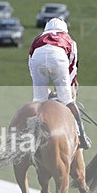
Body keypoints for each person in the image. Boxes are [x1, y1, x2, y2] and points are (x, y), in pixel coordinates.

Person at [28, 17, 91, 149]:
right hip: (59, 58)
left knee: (38, 101)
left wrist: (43, 89)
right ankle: (82, 136)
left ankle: (31, 136)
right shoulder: (69, 40)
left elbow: (31, 63)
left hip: (37, 58)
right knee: (68, 101)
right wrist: (68, 85)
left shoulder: (38, 38)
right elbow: (72, 67)